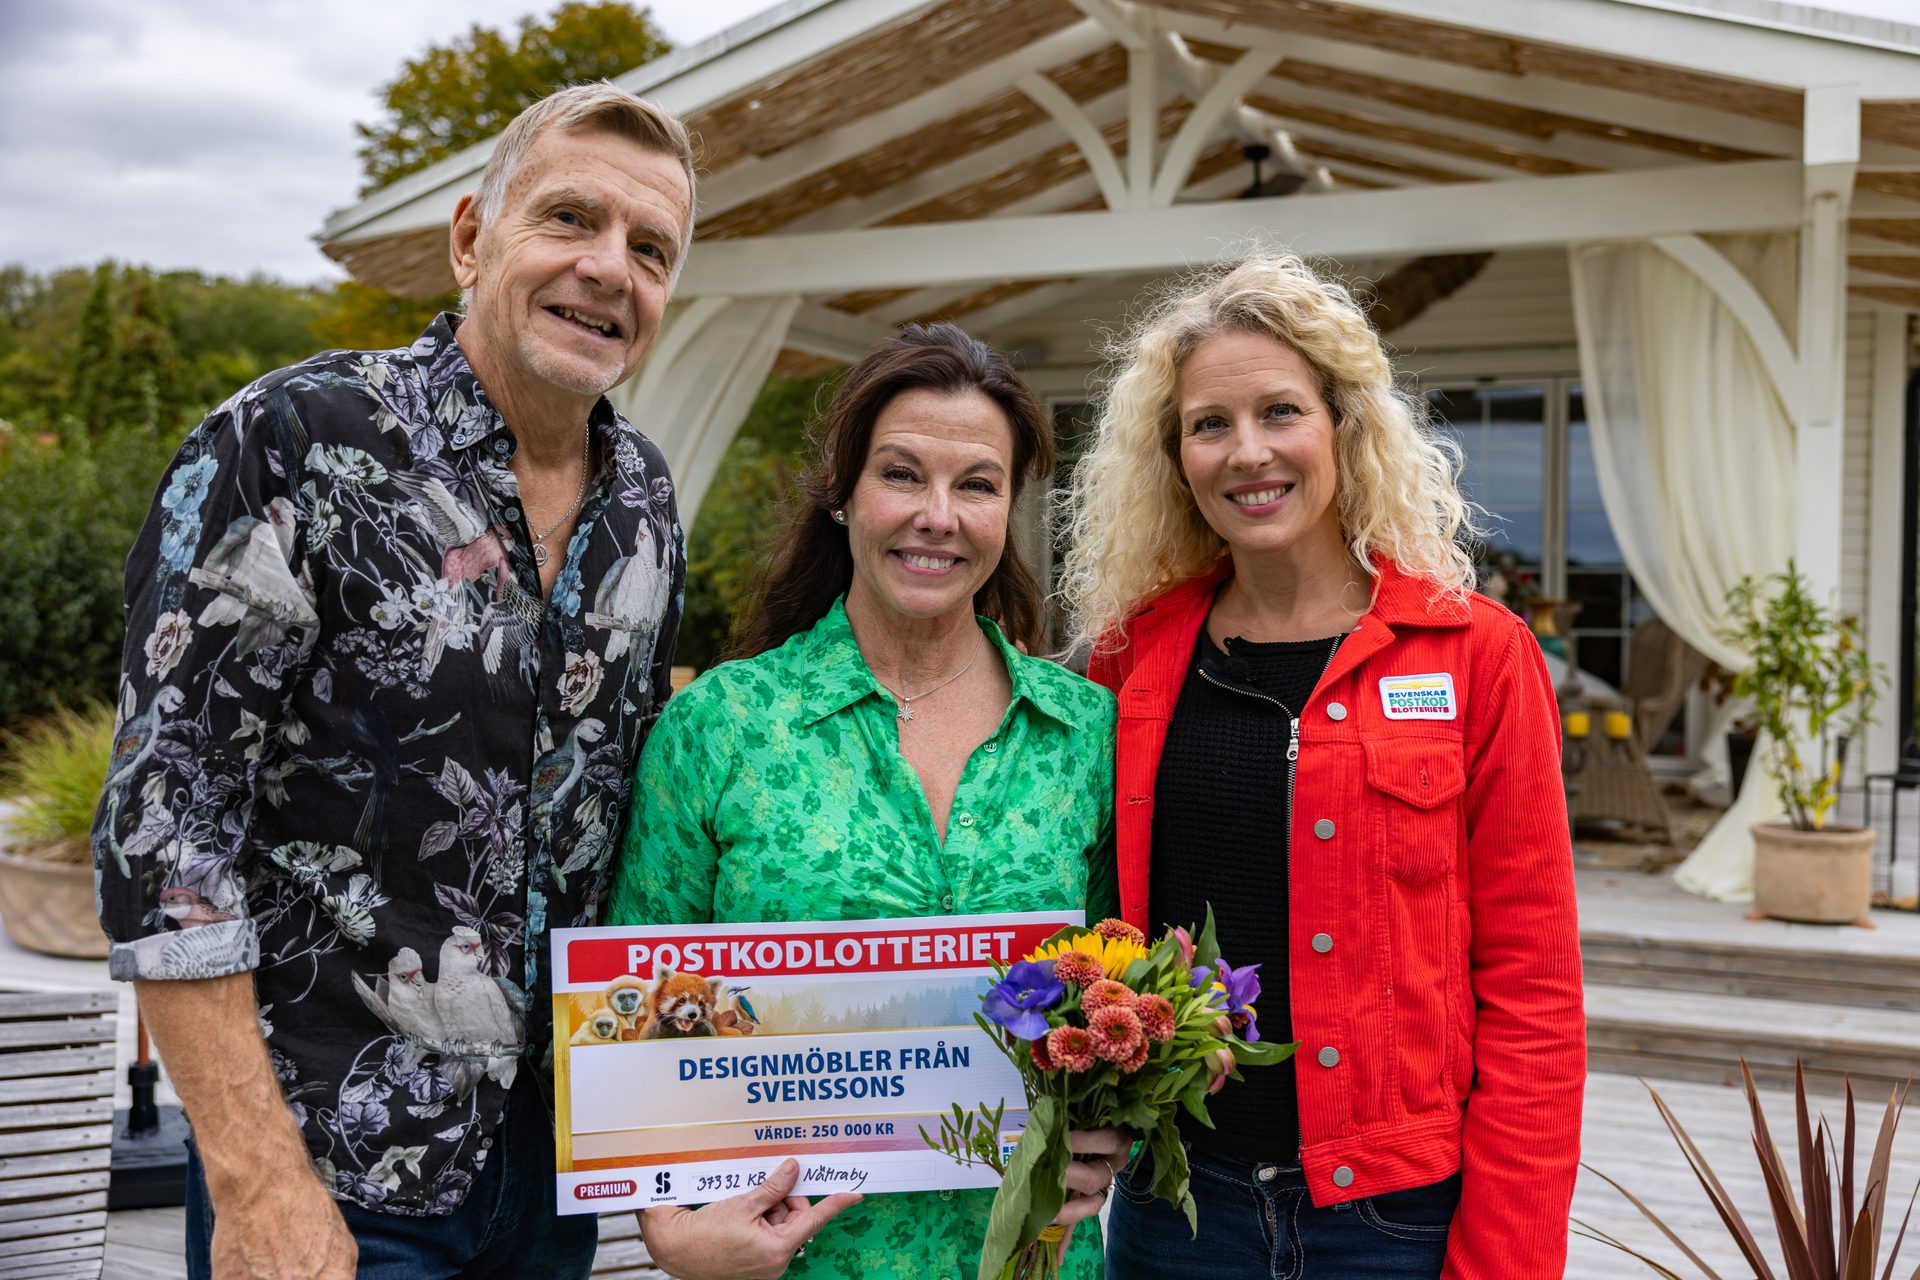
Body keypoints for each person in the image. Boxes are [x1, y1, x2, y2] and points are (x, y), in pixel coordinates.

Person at [91, 83, 704, 1279]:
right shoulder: (289, 440)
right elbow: (167, 839)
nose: (607, 268)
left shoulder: (646, 503)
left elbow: (621, 823)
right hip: (329, 1168)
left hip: (552, 1169)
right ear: (472, 236)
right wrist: (253, 1176)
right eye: (569, 218)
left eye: (650, 248)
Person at [1059, 254, 1585, 1280]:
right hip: (1180, 1211)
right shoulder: (1134, 659)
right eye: (1210, 423)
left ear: (1343, 426)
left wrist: (1508, 1259)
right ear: (1176, 456)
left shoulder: (1475, 655)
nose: (1247, 451)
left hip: (1398, 1222)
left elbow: (1534, 991)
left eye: (1280, 411)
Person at [608, 323, 1128, 1279]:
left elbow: (1121, 1005)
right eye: (901, 474)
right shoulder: (723, 726)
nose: (938, 515)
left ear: (1008, 509)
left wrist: (1113, 1135)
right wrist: (672, 1235)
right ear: (843, 495)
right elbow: (635, 1016)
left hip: (1033, 1262)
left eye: (976, 484)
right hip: (795, 1265)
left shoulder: (1088, 735)